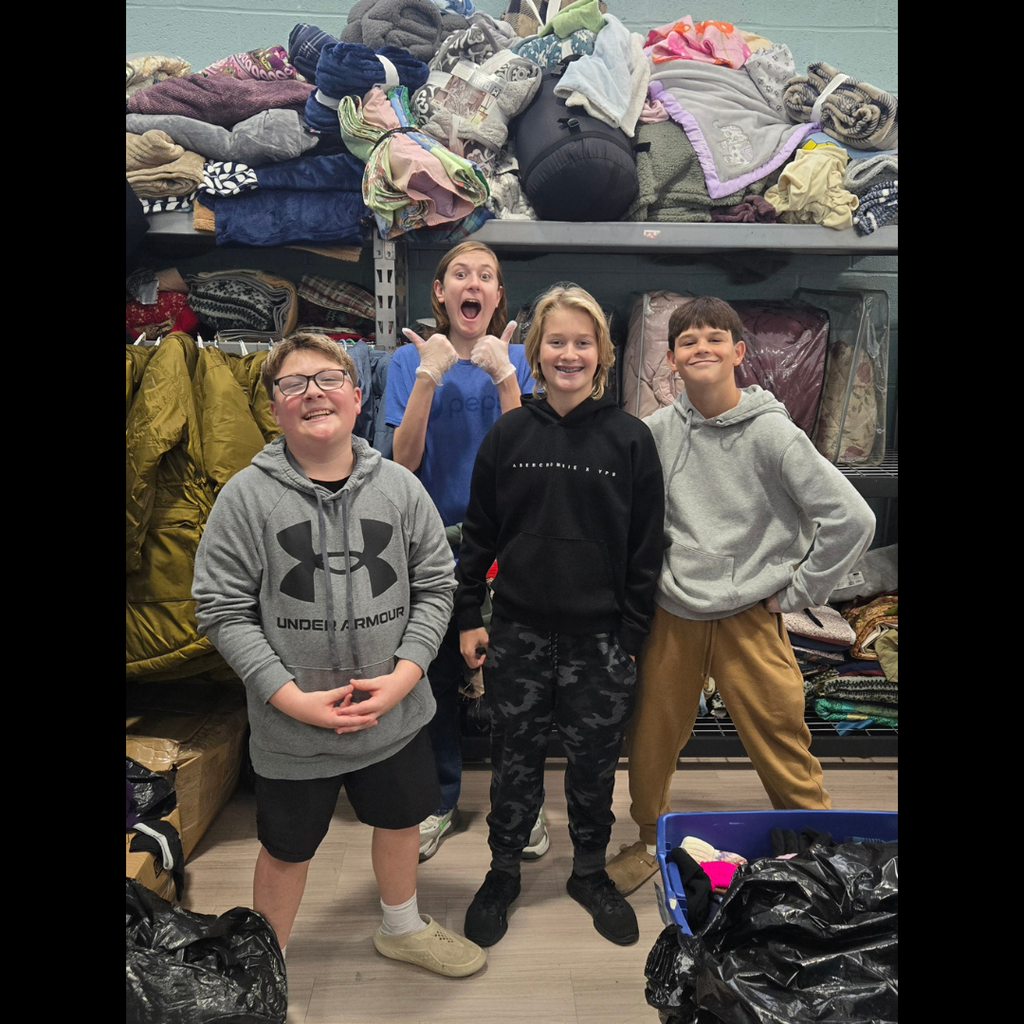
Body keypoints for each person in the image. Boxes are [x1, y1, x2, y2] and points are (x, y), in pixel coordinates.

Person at [192, 333, 486, 977]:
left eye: (328, 379)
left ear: (358, 397)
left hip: (395, 715)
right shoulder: (246, 497)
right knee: (285, 849)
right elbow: (218, 606)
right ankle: (267, 966)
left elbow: (437, 585)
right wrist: (288, 696)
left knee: (402, 819)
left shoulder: (402, 490)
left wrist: (405, 676)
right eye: (292, 384)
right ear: (274, 408)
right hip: (291, 728)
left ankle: (402, 926)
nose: (313, 394)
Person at [605, 296, 876, 896]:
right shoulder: (652, 435)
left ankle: (820, 845)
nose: (701, 347)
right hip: (672, 613)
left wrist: (803, 590)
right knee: (650, 737)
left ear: (739, 352)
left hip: (752, 615)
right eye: (687, 341)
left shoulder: (774, 433)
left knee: (782, 734)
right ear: (670, 360)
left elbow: (852, 519)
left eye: (714, 337)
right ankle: (650, 839)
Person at [454, 286, 665, 947]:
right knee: (513, 758)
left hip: (601, 640)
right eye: (556, 342)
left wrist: (631, 636)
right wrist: (468, 614)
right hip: (518, 631)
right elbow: (479, 534)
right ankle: (503, 871)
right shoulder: (509, 434)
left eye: (583, 342)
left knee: (595, 764)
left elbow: (646, 548)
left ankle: (590, 871)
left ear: (602, 353)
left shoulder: (630, 439)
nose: (569, 353)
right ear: (535, 354)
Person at [385, 241, 550, 862]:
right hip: (429, 545)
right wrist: (429, 375)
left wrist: (505, 375)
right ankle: (437, 800)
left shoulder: (520, 358)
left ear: (498, 296)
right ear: (440, 292)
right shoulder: (408, 359)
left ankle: (520, 805)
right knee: (432, 677)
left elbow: (529, 459)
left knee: (515, 681)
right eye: (461, 274)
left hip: (507, 543)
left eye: (486, 275)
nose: (472, 283)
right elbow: (402, 462)